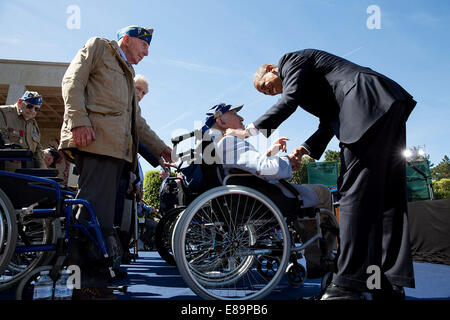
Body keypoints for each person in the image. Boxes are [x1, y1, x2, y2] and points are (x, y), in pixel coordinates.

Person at [234, 49, 416, 300]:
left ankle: (348, 286)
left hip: (365, 102)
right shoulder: (314, 84)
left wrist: (249, 132)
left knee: (353, 193)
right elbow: (328, 120)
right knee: (387, 196)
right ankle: (386, 281)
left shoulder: (290, 61)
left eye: (266, 87)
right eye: (266, 93)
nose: (270, 93)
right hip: (385, 102)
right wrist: (304, 150)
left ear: (271, 68)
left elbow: (289, 101)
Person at [59, 25, 172, 298]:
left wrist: (161, 149)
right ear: (128, 39)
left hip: (117, 152)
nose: (147, 53)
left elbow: (137, 123)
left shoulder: (128, 74)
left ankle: (96, 276)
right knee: (91, 215)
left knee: (103, 219)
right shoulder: (100, 46)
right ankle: (83, 284)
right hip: (95, 141)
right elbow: (72, 81)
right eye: (144, 46)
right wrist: (78, 121)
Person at [203, 103, 337, 277]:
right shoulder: (230, 142)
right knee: (323, 193)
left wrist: (270, 153)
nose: (242, 118)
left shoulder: (218, 146)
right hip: (270, 199)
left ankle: (316, 257)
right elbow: (266, 169)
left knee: (309, 200)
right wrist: (288, 161)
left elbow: (250, 172)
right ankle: (321, 258)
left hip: (253, 199)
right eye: (235, 113)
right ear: (221, 121)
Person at [0, 91, 46, 171]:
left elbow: (38, 148)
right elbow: (1, 138)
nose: (32, 110)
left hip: (25, 172)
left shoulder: (33, 123)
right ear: (20, 103)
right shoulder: (4, 113)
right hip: (5, 170)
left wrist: (43, 167)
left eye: (36, 109)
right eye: (29, 106)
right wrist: (14, 153)